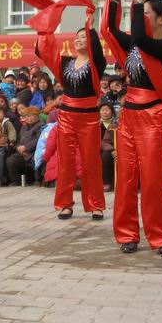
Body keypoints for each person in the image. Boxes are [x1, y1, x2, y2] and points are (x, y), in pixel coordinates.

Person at [108, 0, 162, 257]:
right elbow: (112, 31)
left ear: (161, 19)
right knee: (126, 178)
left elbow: (138, 37)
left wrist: (137, 2)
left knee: (151, 179)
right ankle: (127, 234)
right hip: (129, 116)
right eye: (142, 12)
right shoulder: (137, 44)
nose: (142, 16)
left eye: (146, 13)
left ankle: (161, 237)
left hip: (152, 116)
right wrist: (115, 0)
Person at [36, 27, 107, 221]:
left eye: (84, 37)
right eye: (77, 37)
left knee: (91, 162)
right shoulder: (66, 62)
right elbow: (43, 51)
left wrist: (90, 25)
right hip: (66, 116)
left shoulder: (97, 63)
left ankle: (95, 205)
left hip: (88, 118)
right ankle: (65, 204)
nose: (79, 39)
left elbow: (97, 49)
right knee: (65, 162)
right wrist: (45, 28)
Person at [5, 106, 44, 185]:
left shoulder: (41, 126)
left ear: (36, 116)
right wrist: (18, 148)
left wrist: (26, 147)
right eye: (27, 116)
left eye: (31, 115)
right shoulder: (24, 127)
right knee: (11, 160)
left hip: (34, 151)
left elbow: (39, 140)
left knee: (36, 159)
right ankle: (16, 181)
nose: (29, 118)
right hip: (22, 152)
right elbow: (19, 140)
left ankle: (38, 180)